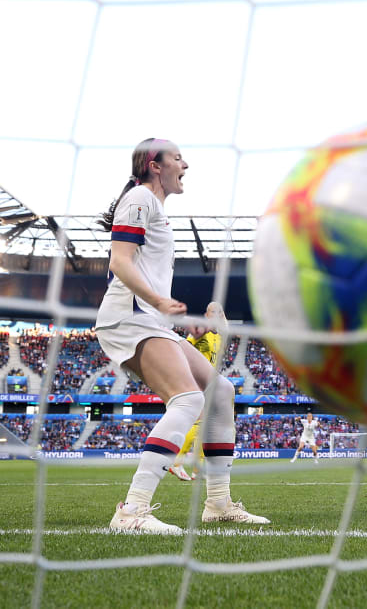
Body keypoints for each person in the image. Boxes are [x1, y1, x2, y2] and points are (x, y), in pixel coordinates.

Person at [95, 138, 267, 533]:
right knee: (188, 399)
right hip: (129, 318)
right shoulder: (140, 197)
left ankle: (219, 504)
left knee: (220, 392)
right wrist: (159, 299)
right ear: (155, 166)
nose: (185, 164)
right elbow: (119, 262)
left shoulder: (153, 207)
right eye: (177, 158)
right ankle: (131, 511)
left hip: (149, 321)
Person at [168, 301, 228, 482]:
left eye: (219, 311)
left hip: (211, 382)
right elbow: (182, 348)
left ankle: (197, 468)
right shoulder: (201, 331)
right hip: (197, 380)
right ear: (206, 314)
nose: (216, 314)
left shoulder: (219, 337)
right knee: (200, 422)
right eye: (212, 312)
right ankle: (177, 462)